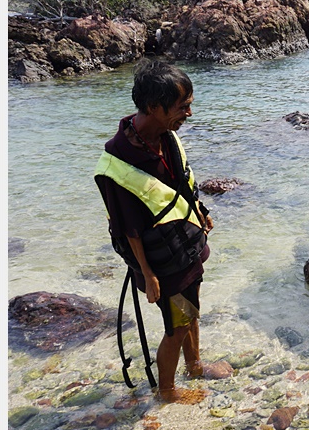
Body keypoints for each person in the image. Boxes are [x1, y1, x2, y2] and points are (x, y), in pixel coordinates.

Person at [94, 59, 232, 403]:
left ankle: (195, 366)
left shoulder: (164, 137)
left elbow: (179, 184)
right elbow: (129, 229)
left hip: (184, 246)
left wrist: (200, 211)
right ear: (153, 107)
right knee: (177, 325)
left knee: (191, 312)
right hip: (161, 262)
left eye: (189, 105)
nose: (188, 114)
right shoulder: (119, 162)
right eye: (182, 107)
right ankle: (167, 392)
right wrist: (148, 275)